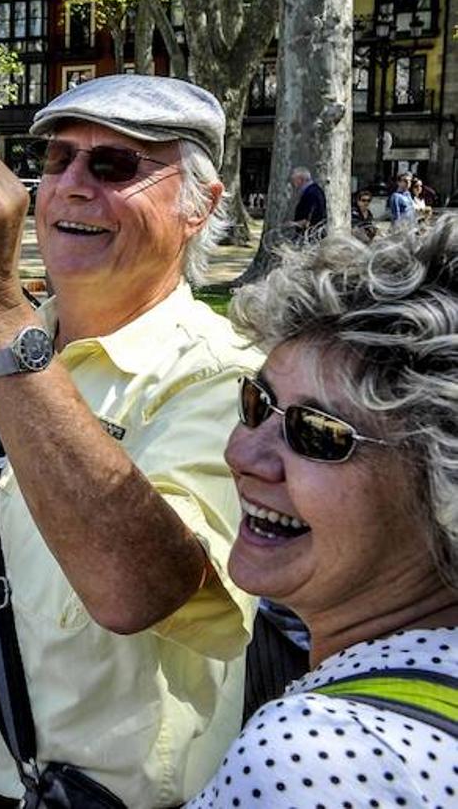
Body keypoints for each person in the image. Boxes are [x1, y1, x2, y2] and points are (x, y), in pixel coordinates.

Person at [0, 76, 260, 808]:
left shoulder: (228, 382)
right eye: (57, 158)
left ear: (202, 205)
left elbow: (141, 593)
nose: (70, 185)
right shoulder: (3, 356)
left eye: (115, 165)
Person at [188, 218, 458, 806]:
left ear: (445, 485)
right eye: (256, 402)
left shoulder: (313, 754)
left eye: (317, 434)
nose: (243, 453)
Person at [289, 166, 327, 236]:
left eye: (294, 180)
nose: (293, 184)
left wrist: (295, 224)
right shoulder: (314, 190)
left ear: (301, 179)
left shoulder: (311, 193)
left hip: (311, 234)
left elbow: (311, 216)